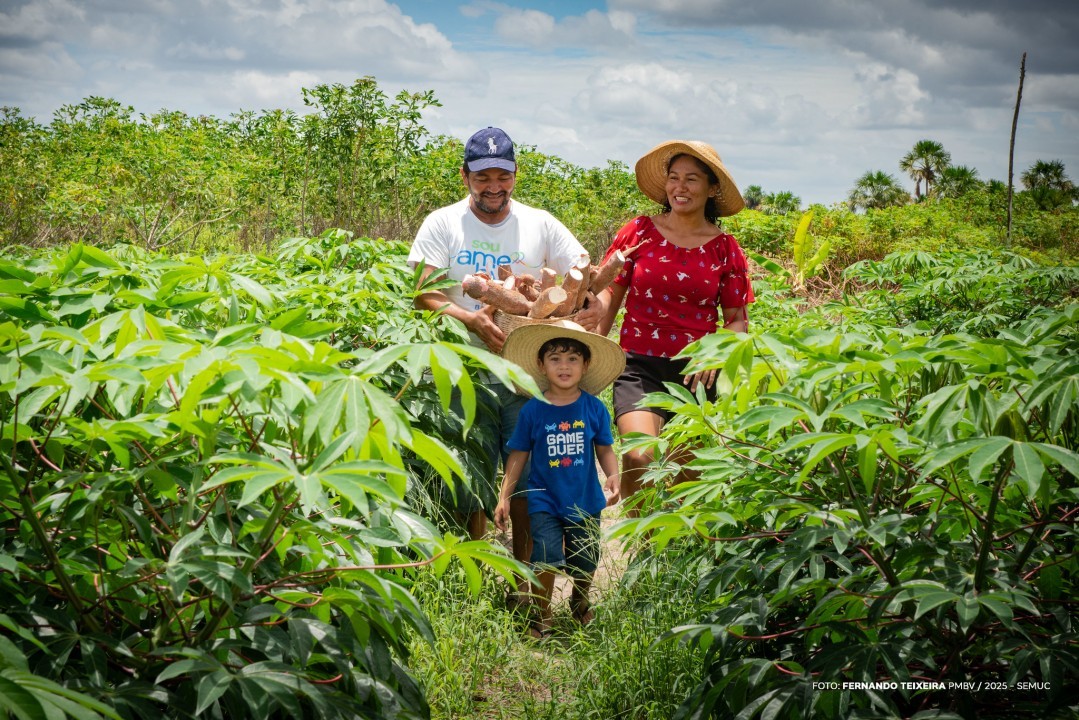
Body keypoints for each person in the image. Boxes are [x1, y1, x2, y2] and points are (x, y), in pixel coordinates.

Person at [408, 127, 603, 561]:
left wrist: (590, 303)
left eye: (502, 176)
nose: (493, 187)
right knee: (468, 474)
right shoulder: (443, 223)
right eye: (482, 178)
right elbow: (423, 291)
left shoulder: (540, 223)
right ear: (465, 177)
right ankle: (472, 571)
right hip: (462, 369)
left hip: (525, 374)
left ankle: (524, 580)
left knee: (530, 478)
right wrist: (469, 318)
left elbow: (582, 269)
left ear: (515, 174)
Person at [595, 140, 754, 514]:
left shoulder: (725, 249)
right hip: (638, 365)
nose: (680, 187)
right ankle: (641, 545)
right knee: (639, 455)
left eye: (692, 179)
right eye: (674, 178)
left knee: (687, 476)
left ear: (712, 188)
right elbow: (609, 295)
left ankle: (674, 557)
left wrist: (716, 354)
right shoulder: (639, 232)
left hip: (696, 374)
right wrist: (590, 350)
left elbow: (737, 320)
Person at [493, 320, 624, 638]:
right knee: (545, 558)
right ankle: (542, 613)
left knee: (586, 558)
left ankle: (580, 602)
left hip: (584, 499)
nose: (563, 366)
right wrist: (504, 496)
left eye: (572, 359)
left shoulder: (593, 408)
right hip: (544, 499)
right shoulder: (533, 411)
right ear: (541, 365)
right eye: (555, 358)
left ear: (585, 365)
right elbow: (518, 455)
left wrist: (614, 475)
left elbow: (605, 448)